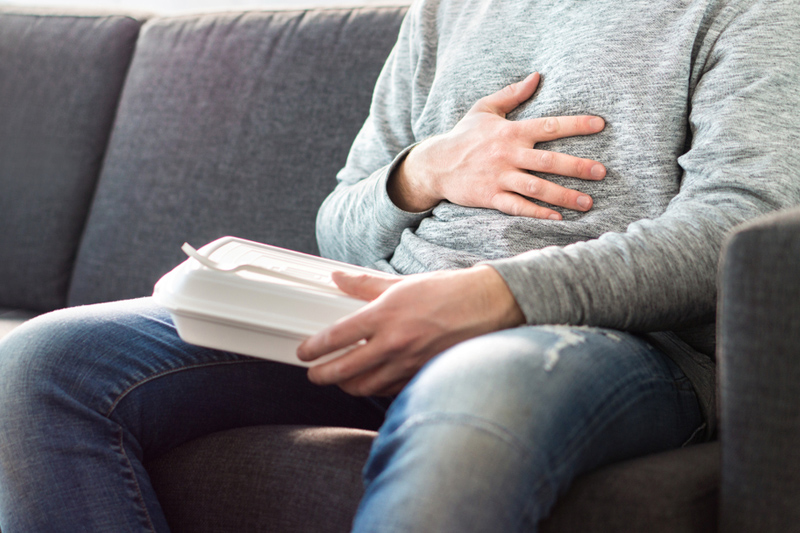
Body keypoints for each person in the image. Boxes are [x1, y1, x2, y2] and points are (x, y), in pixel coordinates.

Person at [0, 0, 798, 531]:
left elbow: (739, 228)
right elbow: (341, 220)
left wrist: (491, 296)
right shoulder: (449, 8)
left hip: (604, 340)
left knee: (471, 392)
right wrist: (422, 172)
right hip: (381, 306)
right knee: (42, 362)